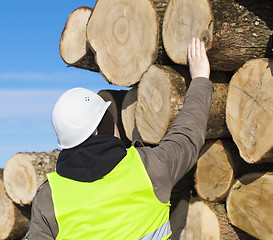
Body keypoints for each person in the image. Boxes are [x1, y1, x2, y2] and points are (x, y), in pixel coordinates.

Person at [25, 37, 212, 240]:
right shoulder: (149, 168)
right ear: (104, 127)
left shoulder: (49, 197)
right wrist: (200, 79)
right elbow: (188, 134)